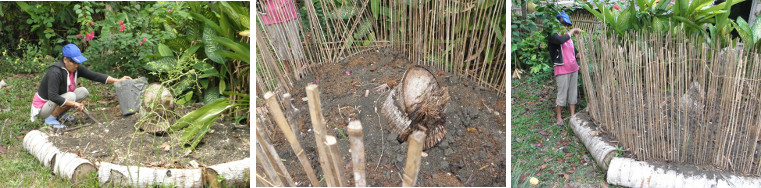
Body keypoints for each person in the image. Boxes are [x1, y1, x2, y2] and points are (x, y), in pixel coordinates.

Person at [30, 44, 132, 131]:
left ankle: (59, 115)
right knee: (71, 96)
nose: (76, 65)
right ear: (65, 59)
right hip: (44, 107)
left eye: (78, 63)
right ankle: (50, 119)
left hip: (55, 102)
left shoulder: (75, 69)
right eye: (73, 62)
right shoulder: (55, 72)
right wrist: (74, 104)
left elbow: (94, 76)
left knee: (83, 91)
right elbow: (53, 96)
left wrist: (117, 80)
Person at [547, 12, 582, 126]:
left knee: (573, 93)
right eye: (564, 24)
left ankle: (572, 115)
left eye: (568, 25)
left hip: (573, 68)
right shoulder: (553, 35)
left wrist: (578, 54)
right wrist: (571, 31)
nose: (566, 27)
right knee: (562, 94)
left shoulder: (568, 38)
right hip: (562, 70)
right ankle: (559, 117)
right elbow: (560, 41)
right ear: (557, 24)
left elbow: (574, 51)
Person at [258, 0, 306, 77]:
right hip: (270, 16)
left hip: (288, 11)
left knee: (295, 41)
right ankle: (287, 70)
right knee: (280, 45)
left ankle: (299, 68)